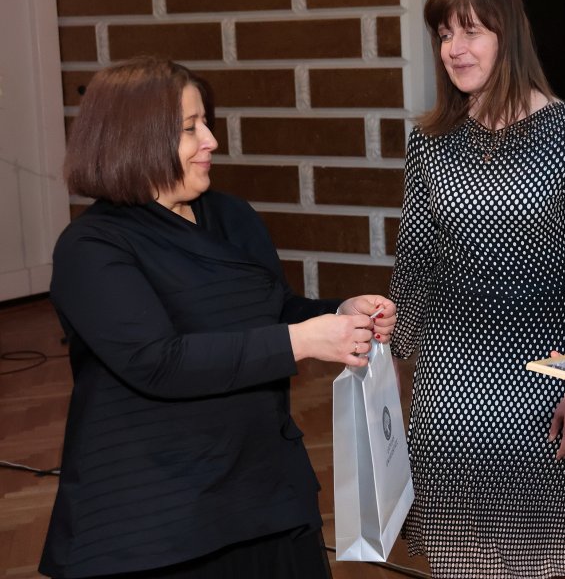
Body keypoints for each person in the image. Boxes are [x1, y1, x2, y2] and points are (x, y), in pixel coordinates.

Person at [38, 56, 397, 579]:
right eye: (190, 128)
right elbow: (157, 361)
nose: (210, 140)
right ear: (136, 139)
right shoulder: (91, 247)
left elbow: (275, 311)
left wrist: (339, 315)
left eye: (206, 122)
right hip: (159, 509)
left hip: (262, 484)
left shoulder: (230, 215)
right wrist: (301, 339)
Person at [388, 0, 565, 578]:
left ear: (507, 36)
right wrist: (392, 358)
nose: (454, 49)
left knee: (538, 554)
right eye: (443, 34)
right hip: (449, 379)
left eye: (470, 31)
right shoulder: (431, 140)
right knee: (463, 556)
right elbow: (415, 258)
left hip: (541, 374)